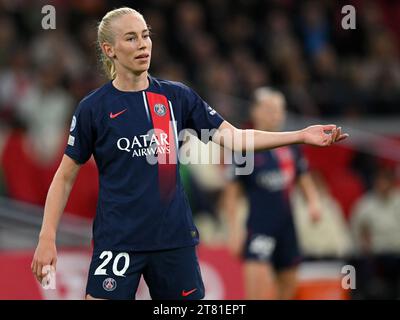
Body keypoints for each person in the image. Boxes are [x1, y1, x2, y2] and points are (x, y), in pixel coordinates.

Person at [30, 7, 348, 300]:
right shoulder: (93, 109)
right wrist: (47, 237)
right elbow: (65, 176)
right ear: (109, 50)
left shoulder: (176, 97)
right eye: (131, 38)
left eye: (145, 35)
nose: (143, 44)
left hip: (174, 242)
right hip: (118, 243)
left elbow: (236, 139)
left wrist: (300, 135)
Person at [223, 87, 323, 300]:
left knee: (288, 288)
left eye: (279, 109)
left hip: (287, 227)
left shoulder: (292, 145)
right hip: (259, 229)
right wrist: (233, 230)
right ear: (255, 111)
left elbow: (303, 177)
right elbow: (231, 194)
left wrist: (314, 203)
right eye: (269, 109)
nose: (275, 114)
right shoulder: (245, 148)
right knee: (257, 294)